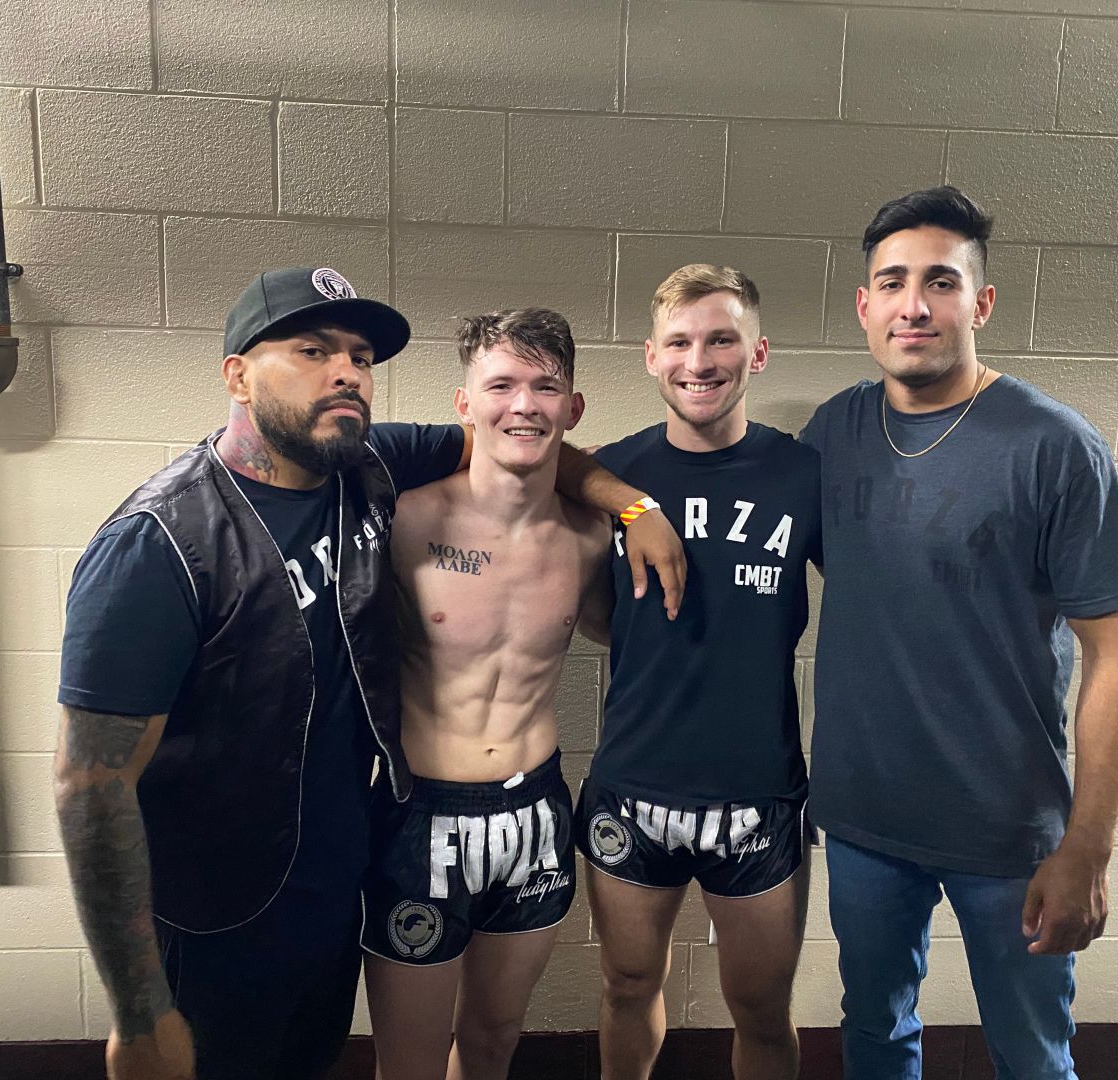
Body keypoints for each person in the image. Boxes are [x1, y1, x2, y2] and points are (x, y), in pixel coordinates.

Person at [53, 269, 685, 1080]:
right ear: (237, 375)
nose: (346, 371)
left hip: (335, 866)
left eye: (358, 356)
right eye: (313, 351)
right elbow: (89, 786)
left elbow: (527, 446)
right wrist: (138, 1011)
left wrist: (635, 506)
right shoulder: (162, 540)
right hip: (222, 900)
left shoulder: (365, 469)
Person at [800, 187, 1118, 1080]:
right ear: (865, 305)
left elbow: (1117, 652)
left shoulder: (1054, 447)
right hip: (864, 818)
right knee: (874, 1032)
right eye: (893, 283)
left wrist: (1088, 847)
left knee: (1032, 1056)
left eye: (941, 282)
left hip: (1007, 829)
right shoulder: (834, 430)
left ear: (980, 302)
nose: (914, 305)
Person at [577, 265, 824, 1080]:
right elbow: (591, 600)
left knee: (761, 1008)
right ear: (651, 357)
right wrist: (631, 506)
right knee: (626, 987)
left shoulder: (803, 474)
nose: (699, 360)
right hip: (634, 784)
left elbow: (874, 600)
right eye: (679, 342)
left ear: (758, 353)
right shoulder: (614, 474)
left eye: (721, 339)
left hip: (757, 794)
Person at [361, 307, 613, 1080]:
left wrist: (637, 508)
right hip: (421, 815)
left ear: (573, 407)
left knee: (495, 1039)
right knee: (409, 1061)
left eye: (546, 387)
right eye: (501, 385)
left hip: (534, 813)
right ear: (465, 403)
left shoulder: (592, 536)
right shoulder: (406, 519)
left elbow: (632, 638)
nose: (524, 404)